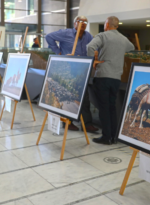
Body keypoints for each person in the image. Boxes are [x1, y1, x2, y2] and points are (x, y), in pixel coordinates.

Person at [45, 15, 99, 133]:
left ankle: (87, 123)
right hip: (68, 70)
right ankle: (68, 123)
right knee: (69, 96)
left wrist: (95, 56)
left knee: (84, 97)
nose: (83, 23)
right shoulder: (66, 33)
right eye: (80, 21)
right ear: (75, 23)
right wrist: (58, 52)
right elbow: (48, 37)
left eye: (85, 21)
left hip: (82, 71)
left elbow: (94, 47)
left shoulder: (88, 36)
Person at [87, 16, 134, 145]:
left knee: (104, 108)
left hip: (103, 76)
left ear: (106, 25)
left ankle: (106, 137)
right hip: (116, 78)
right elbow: (132, 48)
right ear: (117, 26)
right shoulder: (123, 39)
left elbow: (90, 47)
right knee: (112, 107)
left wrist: (93, 61)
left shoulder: (103, 35)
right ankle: (113, 136)